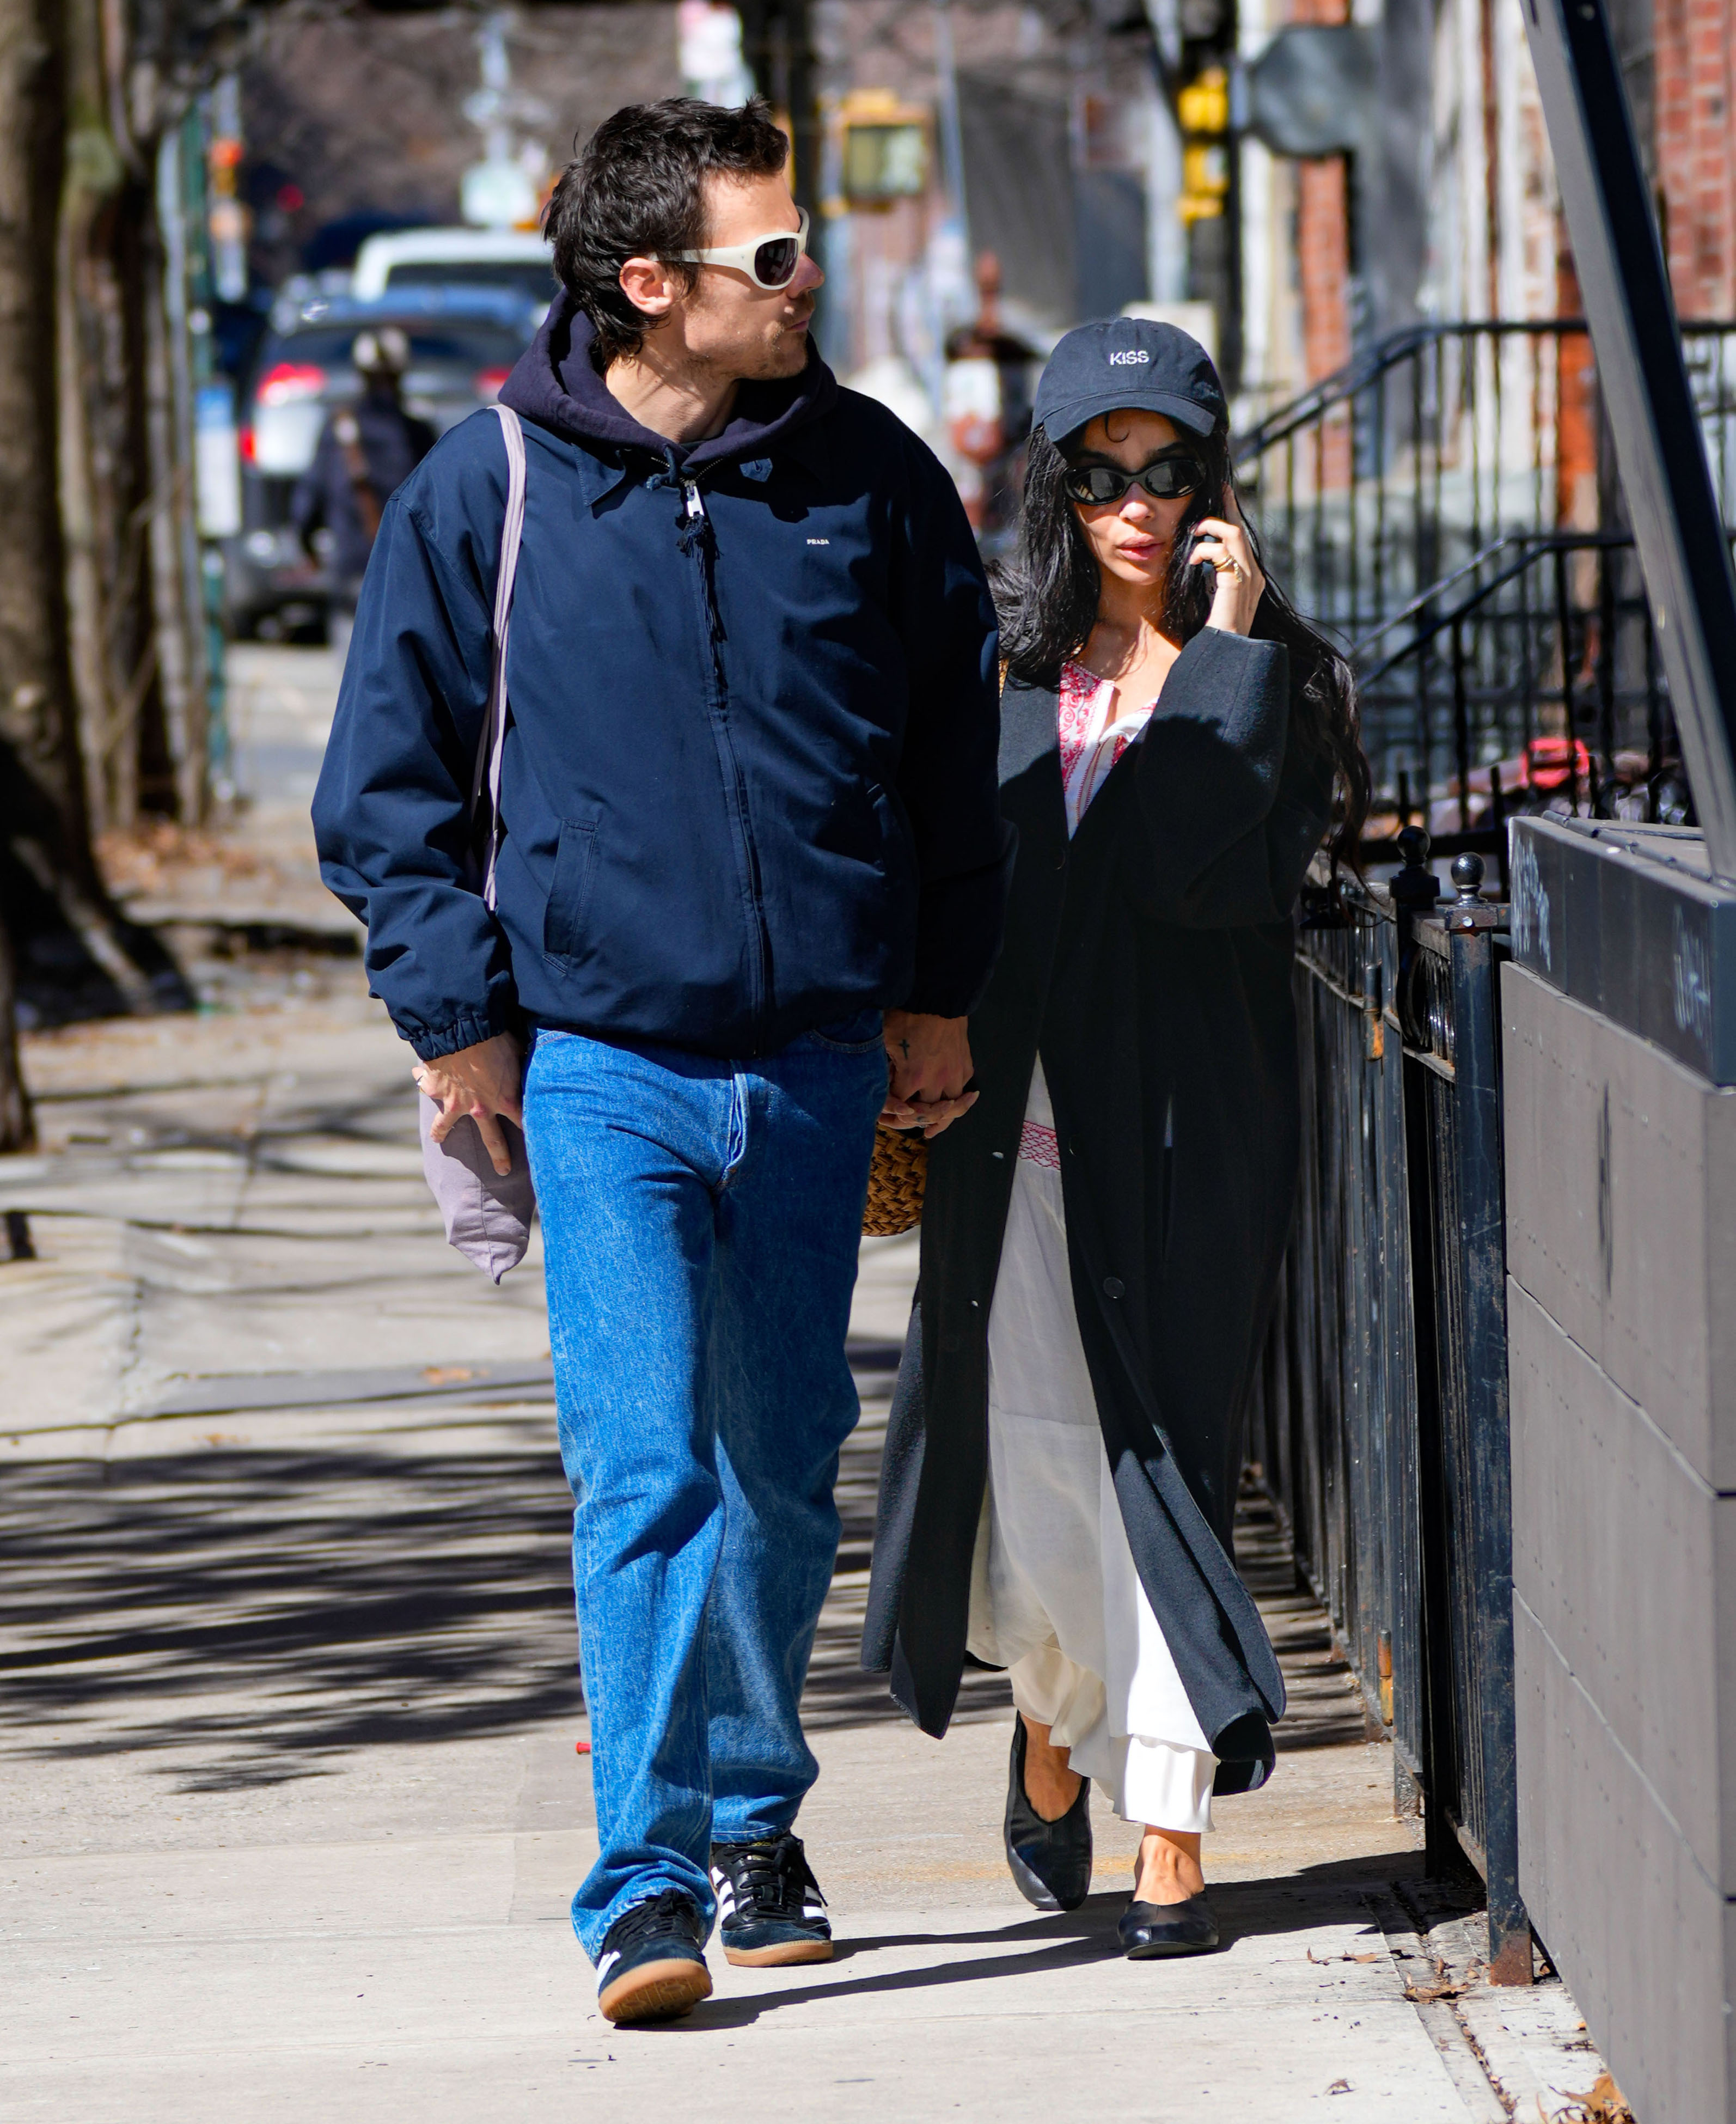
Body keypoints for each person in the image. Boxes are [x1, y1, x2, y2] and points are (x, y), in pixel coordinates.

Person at [311, 97, 1008, 2025]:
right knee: (641, 1472)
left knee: (779, 1464)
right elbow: (383, 791)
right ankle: (640, 1886)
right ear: (648, 285)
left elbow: (953, 762)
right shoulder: (486, 489)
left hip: (813, 1065)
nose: (807, 279)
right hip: (599, 1065)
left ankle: (750, 1821)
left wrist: (936, 990)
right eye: (771, 255)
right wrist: (454, 1015)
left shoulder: (868, 476)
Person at [861, 317, 1370, 1957]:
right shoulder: (1000, 674)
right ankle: (1049, 1715)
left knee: (1157, 1455)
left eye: (1166, 473)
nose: (1134, 506)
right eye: (1098, 475)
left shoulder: (1272, 680)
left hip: (1179, 1139)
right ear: (1053, 488)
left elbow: (1177, 870)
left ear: (1212, 486)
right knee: (1029, 1454)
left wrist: (1220, 646)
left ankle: (1168, 1824)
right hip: (1006, 1132)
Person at [291, 325, 435, 650]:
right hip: (407, 573)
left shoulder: (338, 431)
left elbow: (308, 499)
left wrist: (307, 546)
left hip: (352, 570)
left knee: (351, 662)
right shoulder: (420, 434)